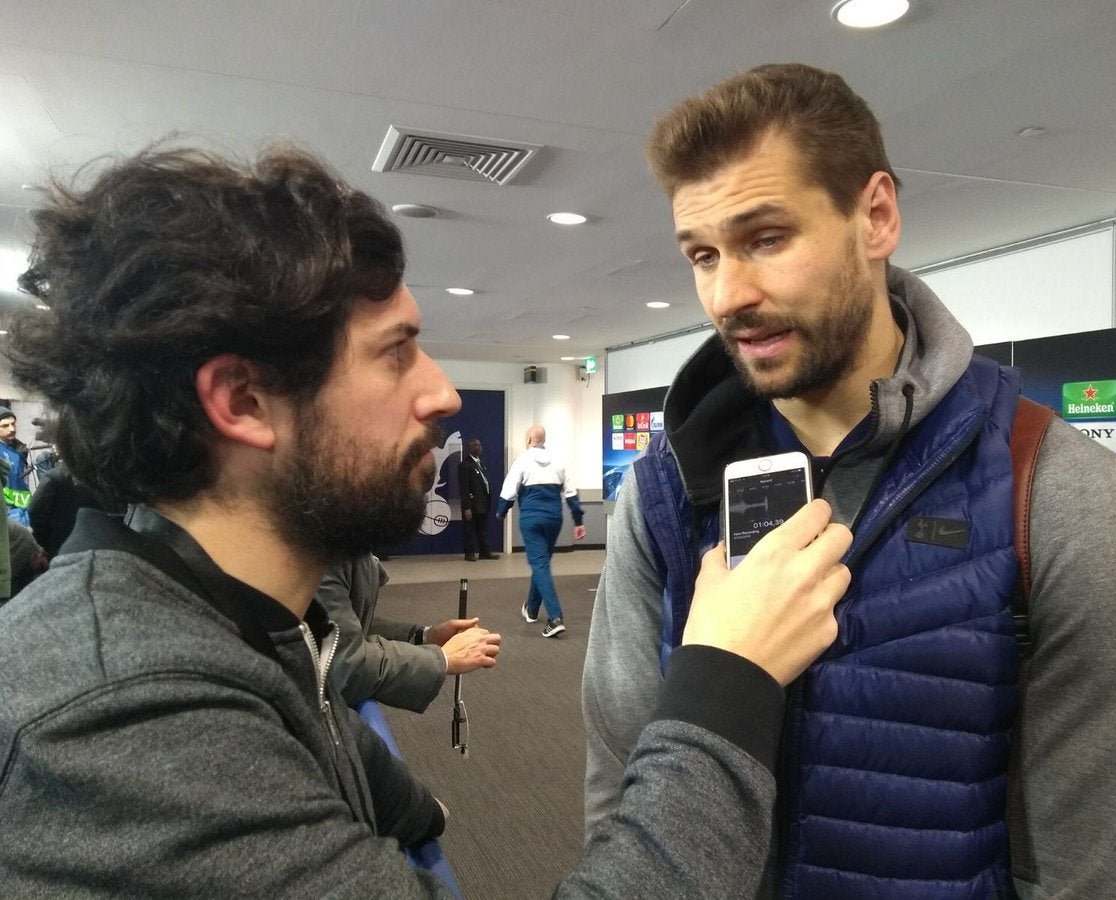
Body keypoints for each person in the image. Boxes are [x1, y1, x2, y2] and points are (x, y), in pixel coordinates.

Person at [0, 140, 856, 897]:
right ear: (243, 399)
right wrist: (728, 676)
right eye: (396, 352)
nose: (441, 392)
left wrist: (407, 804)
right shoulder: (129, 715)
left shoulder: (222, 616)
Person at [582, 63, 1116, 900]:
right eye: (704, 254)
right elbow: (622, 791)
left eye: (766, 238)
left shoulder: (1059, 492)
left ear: (876, 216)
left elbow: (1102, 858)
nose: (728, 294)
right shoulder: (662, 496)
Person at [318, 552, 501, 711]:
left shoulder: (348, 545)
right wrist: (442, 659)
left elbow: (350, 626)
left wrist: (425, 636)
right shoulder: (324, 555)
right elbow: (342, 666)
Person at [498, 424, 585, 638]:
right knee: (542, 563)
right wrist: (578, 521)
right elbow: (571, 493)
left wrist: (501, 512)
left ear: (529, 439)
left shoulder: (522, 460)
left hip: (531, 519)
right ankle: (532, 609)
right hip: (554, 519)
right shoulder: (559, 460)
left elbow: (509, 491)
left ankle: (555, 617)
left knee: (540, 565)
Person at [28, 459, 127, 559]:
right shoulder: (107, 478)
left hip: (62, 547)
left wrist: (45, 541)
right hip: (102, 548)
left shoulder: (55, 477)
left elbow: (34, 511)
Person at [456, 436, 495, 560]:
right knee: (469, 529)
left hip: (482, 502)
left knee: (483, 529)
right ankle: (469, 553)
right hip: (472, 504)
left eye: (480, 445)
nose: (480, 447)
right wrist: (466, 508)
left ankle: (485, 552)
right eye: (476, 445)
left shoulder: (480, 463)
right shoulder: (465, 465)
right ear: (470, 448)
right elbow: (464, 488)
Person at [0, 406, 32, 526]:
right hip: (7, 513)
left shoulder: (19, 451)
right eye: (5, 426)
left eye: (13, 424)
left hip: (25, 511)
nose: (12, 429)